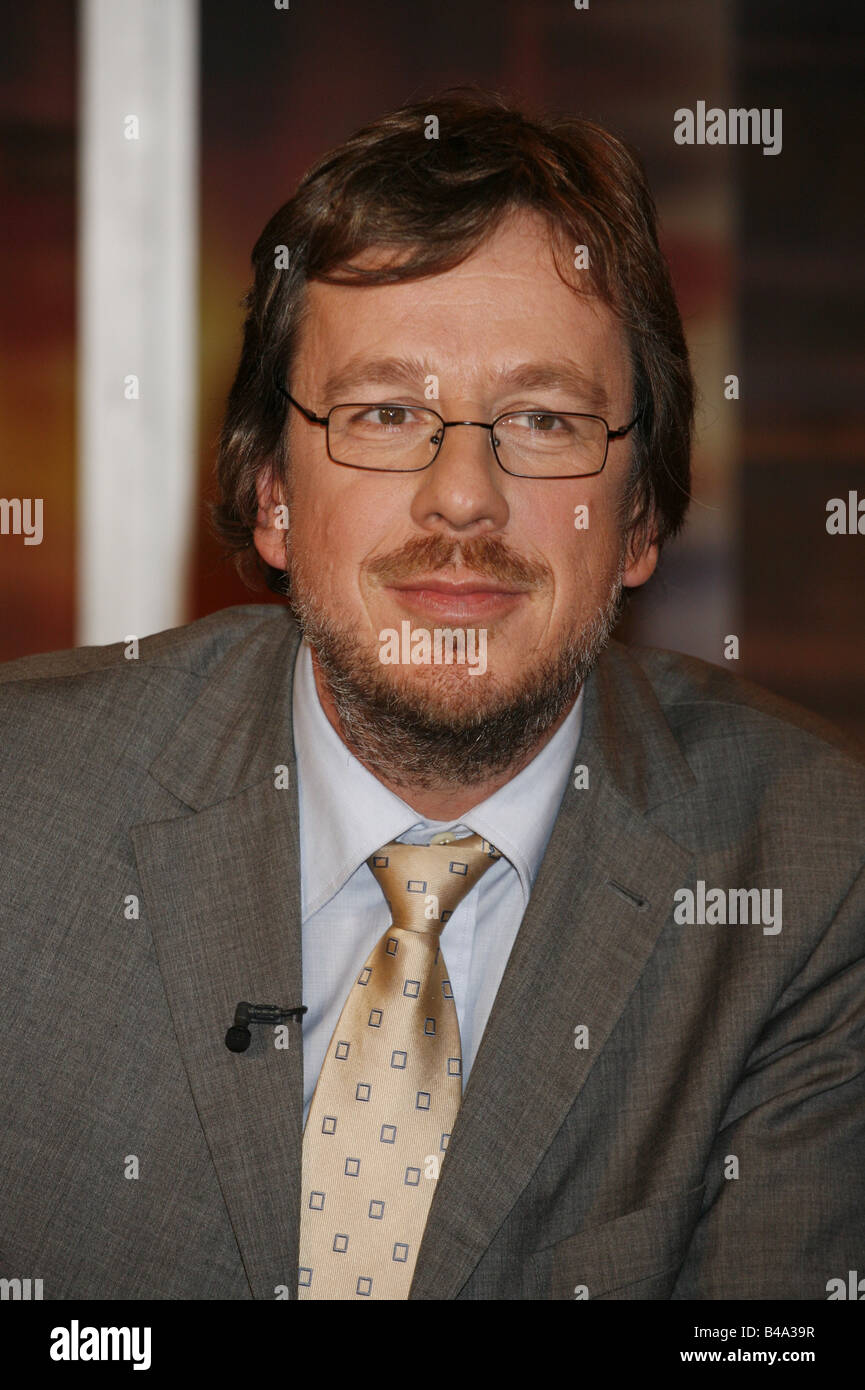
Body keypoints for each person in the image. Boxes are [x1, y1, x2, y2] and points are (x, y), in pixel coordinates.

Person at [1, 90, 862, 1302]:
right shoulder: (17, 808)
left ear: (640, 517)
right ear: (271, 497)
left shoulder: (817, 879)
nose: (463, 495)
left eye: (543, 419)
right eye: (387, 413)